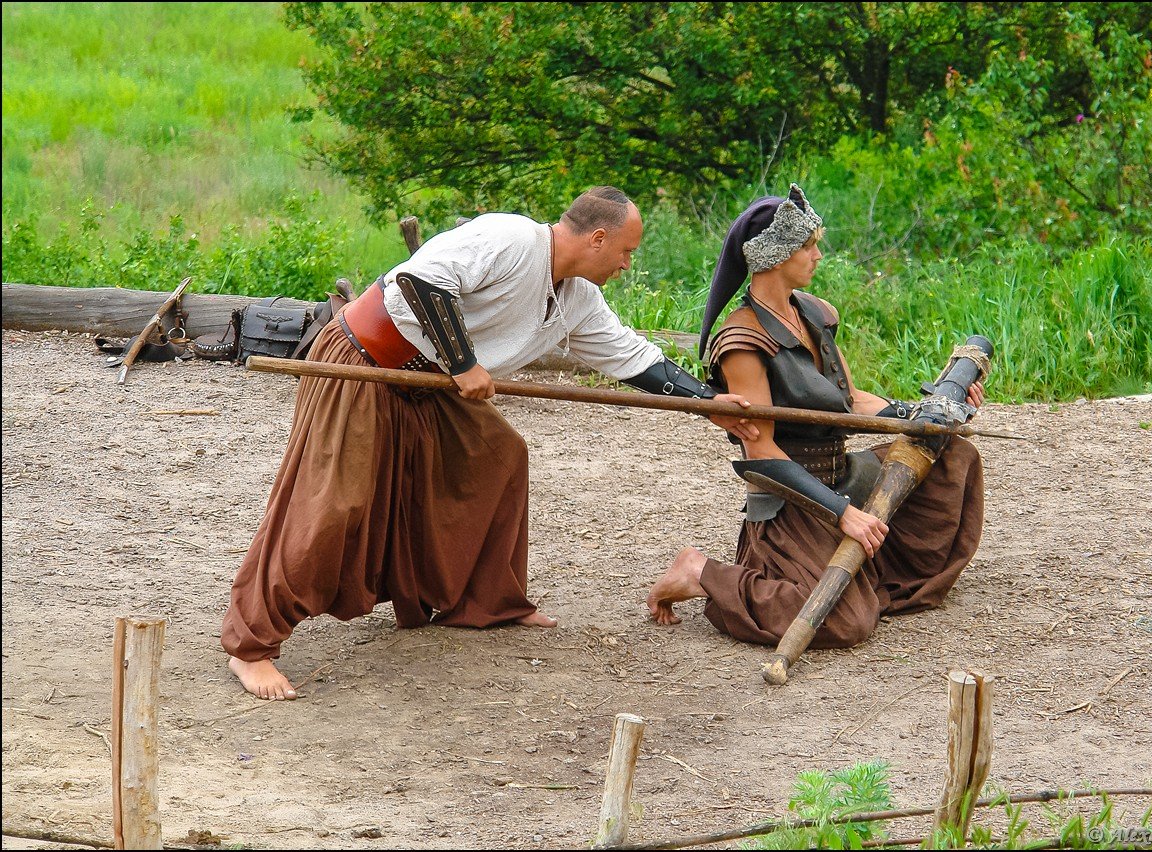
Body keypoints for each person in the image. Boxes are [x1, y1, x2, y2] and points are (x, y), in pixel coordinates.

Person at [224, 186, 758, 700]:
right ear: (596, 238)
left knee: (497, 455)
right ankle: (250, 643)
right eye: (625, 252)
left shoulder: (578, 300)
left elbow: (634, 359)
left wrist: (706, 403)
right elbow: (419, 282)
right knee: (337, 503)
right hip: (366, 365)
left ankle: (484, 599)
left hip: (432, 382)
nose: (626, 265)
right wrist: (464, 362)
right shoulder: (510, 239)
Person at [646, 184, 985, 649]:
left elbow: (851, 404)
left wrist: (925, 414)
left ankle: (862, 573)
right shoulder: (742, 342)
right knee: (846, 624)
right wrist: (842, 514)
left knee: (952, 455)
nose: (817, 255)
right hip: (792, 504)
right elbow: (760, 450)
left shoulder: (815, 314)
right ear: (773, 254)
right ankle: (700, 572)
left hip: (844, 475)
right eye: (807, 245)